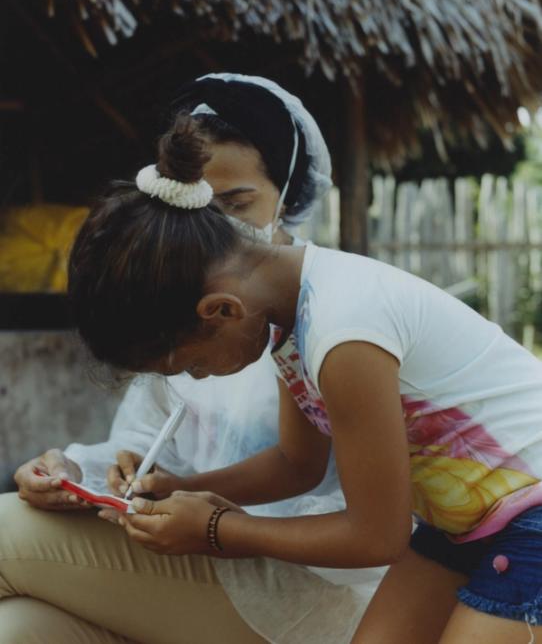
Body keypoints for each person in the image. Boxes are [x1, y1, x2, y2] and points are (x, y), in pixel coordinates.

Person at [65, 111, 542, 644]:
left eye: (191, 366)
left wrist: (218, 531)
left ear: (220, 310)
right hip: (465, 522)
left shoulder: (343, 333)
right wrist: (181, 489)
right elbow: (296, 465)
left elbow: (376, 536)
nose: (200, 377)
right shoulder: (287, 315)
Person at [1, 74, 383, 644]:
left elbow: (359, 513)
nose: (209, 232)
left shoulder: (329, 327)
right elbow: (142, 447)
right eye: (192, 208)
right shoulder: (181, 321)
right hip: (191, 564)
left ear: (289, 193)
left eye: (232, 204)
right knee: (20, 630)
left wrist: (213, 522)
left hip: (301, 588)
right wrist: (74, 471)